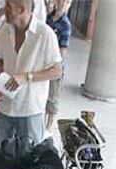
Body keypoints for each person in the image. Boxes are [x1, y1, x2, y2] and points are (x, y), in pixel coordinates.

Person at [0, 0, 62, 146]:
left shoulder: (45, 34)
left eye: (9, 7)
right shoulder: (5, 30)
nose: (4, 10)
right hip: (5, 106)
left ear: (22, 9)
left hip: (30, 109)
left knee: (31, 157)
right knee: (0, 155)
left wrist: (27, 77)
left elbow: (57, 71)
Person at [45, 0, 71, 130]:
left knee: (53, 100)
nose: (63, 3)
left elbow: (63, 50)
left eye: (67, 2)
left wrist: (54, 62)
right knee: (43, 97)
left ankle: (48, 128)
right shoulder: (48, 18)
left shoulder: (65, 25)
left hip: (55, 66)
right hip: (43, 64)